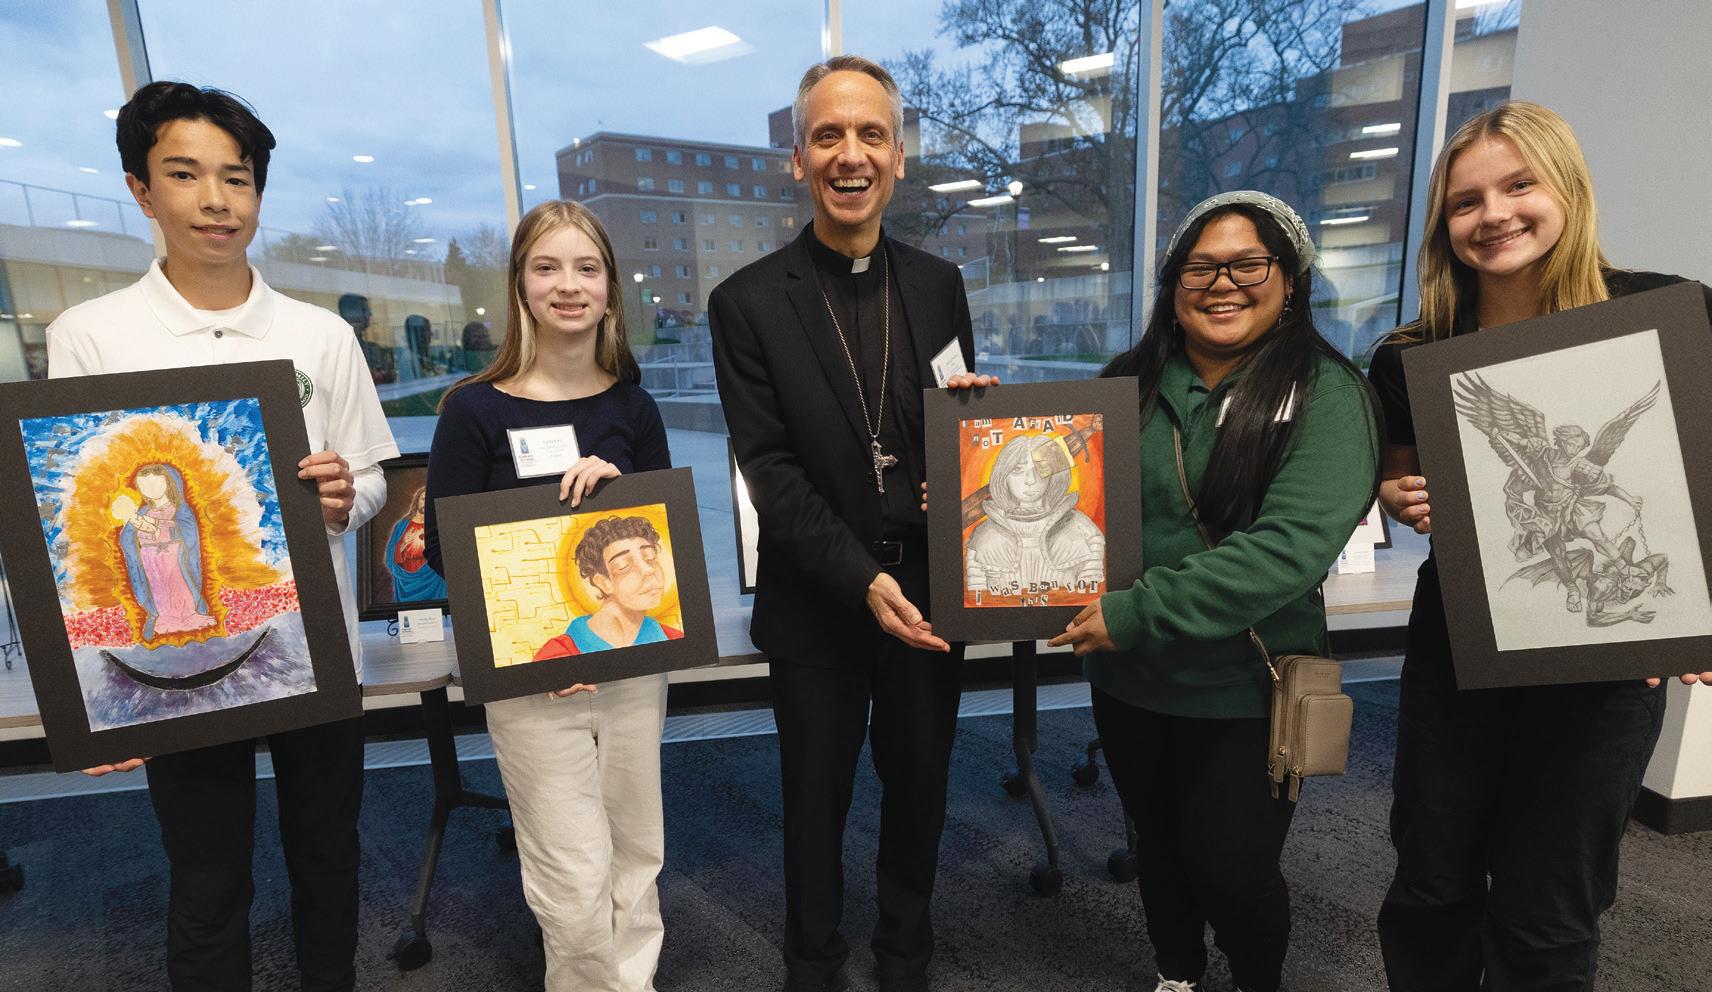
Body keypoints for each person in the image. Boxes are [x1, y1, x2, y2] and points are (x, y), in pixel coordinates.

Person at [45, 81, 399, 992]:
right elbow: (72, 532)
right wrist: (93, 693)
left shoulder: (320, 336)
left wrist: (342, 498)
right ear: (140, 190)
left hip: (314, 648)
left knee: (330, 854)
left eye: (236, 179)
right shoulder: (92, 335)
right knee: (206, 874)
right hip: (174, 665)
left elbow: (370, 479)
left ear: (258, 193)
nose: (215, 200)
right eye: (184, 174)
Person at [1368, 100, 1712, 992]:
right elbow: (1401, 477)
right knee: (1431, 886)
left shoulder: (1668, 312)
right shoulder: (1413, 352)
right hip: (1459, 649)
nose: (1494, 215)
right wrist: (1399, 493)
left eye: (1519, 186)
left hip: (1606, 667)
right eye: (1466, 201)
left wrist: (1699, 606)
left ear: (1568, 188)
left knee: (1549, 911)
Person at [1048, 190, 1381, 992]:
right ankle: (1177, 973)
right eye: (1199, 268)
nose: (1222, 283)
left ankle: (1256, 978)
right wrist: (971, 449)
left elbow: (1287, 551)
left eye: (1247, 264)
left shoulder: (1329, 395)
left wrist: (1137, 611)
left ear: (1290, 280)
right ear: (1173, 286)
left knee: (1232, 868)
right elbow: (1056, 496)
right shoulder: (1123, 386)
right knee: (1159, 847)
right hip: (1131, 680)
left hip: (1246, 688)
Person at [709, 55, 978, 992]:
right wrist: (865, 581)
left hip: (931, 592)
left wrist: (971, 455)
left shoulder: (940, 284)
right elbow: (771, 477)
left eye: (871, 135)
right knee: (814, 802)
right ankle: (813, 964)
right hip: (819, 599)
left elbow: (952, 415)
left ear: (898, 157)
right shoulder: (746, 303)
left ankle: (906, 955)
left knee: (920, 790)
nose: (850, 154)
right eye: (828, 136)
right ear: (799, 160)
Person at [423, 198, 670, 992]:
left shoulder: (634, 407)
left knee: (637, 847)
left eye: (586, 268)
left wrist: (622, 495)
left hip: (630, 663)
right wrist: (538, 652)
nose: (569, 285)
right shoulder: (473, 409)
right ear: (521, 286)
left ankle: (634, 982)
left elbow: (665, 545)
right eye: (547, 267)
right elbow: (449, 553)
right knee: (569, 866)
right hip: (533, 676)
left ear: (610, 288)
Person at [532, 515, 683, 660]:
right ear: (603, 583)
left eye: (650, 558)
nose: (648, 570)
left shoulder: (677, 640)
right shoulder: (557, 654)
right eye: (624, 565)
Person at [119, 463, 216, 639]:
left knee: (178, 585)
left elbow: (188, 533)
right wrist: (132, 528)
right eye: (144, 485)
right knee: (159, 588)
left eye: (156, 483)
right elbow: (127, 537)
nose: (151, 489)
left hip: (173, 557)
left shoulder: (179, 509)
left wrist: (158, 528)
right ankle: (165, 617)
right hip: (149, 559)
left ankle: (186, 615)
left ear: (169, 483)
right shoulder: (143, 511)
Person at [383, 486, 446, 603]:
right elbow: (391, 556)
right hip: (406, 580)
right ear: (417, 501)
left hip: (431, 579)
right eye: (423, 499)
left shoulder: (438, 524)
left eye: (429, 499)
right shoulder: (402, 526)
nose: (426, 502)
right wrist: (403, 546)